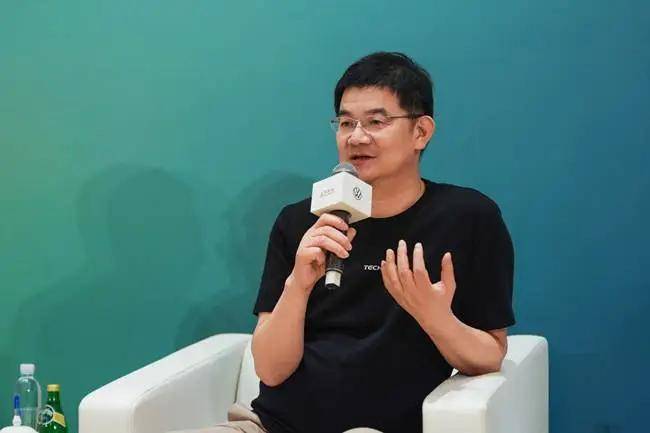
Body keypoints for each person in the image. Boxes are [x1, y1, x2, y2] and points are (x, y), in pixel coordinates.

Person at [171, 51, 515, 433]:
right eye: (346, 122)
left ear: (421, 131)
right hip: (274, 425)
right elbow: (270, 370)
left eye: (376, 122)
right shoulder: (301, 221)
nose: (356, 137)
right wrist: (298, 285)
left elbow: (490, 355)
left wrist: (433, 316)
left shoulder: (467, 218)